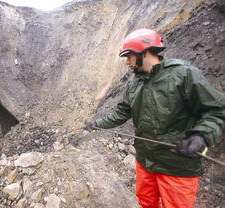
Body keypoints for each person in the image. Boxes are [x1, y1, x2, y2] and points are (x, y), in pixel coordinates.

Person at [84, 28, 225, 208]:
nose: (127, 62)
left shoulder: (183, 74)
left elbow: (216, 110)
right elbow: (120, 113)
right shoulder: (135, 84)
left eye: (129, 56)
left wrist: (201, 136)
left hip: (177, 165)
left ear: (145, 52)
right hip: (145, 160)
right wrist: (95, 125)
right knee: (146, 202)